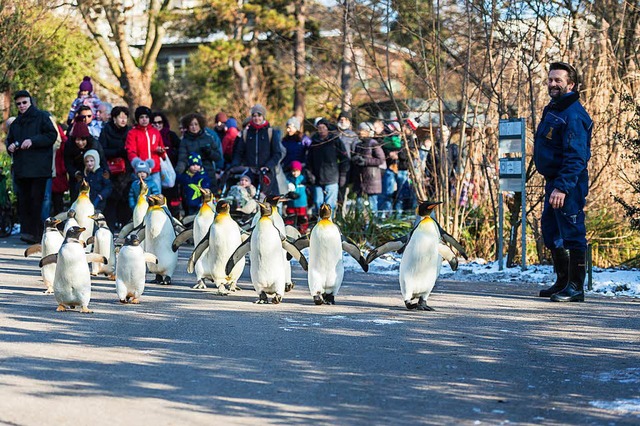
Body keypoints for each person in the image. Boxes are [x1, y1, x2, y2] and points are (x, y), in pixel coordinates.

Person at [533, 61, 592, 303]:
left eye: (558, 80)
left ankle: (576, 287)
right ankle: (562, 281)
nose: (553, 84)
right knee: (551, 231)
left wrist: (562, 187)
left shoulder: (574, 114)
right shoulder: (554, 109)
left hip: (568, 184)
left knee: (572, 231)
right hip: (553, 182)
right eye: (550, 79)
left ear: (571, 84)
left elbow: (577, 156)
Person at [5, 90, 58, 243]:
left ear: (30, 102)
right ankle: (27, 232)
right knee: (24, 201)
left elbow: (51, 136)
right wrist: (11, 147)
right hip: (22, 169)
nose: (21, 106)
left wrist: (33, 141)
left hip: (39, 169)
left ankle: (36, 233)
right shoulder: (16, 123)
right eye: (19, 104)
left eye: (24, 103)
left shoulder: (42, 117)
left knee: (37, 201)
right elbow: (10, 140)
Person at [231, 104, 287, 196]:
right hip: (250, 173)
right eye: (254, 116)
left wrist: (268, 166)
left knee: (267, 201)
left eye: (259, 115)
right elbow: (239, 152)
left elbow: (277, 153)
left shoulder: (270, 132)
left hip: (267, 173)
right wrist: (235, 164)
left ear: (263, 116)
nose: (257, 118)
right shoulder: (246, 133)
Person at [305, 118, 349, 213]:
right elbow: (309, 161)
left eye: (323, 127)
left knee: (330, 206)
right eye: (319, 128)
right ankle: (319, 223)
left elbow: (344, 158)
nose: (321, 130)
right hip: (317, 179)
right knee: (318, 203)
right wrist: (310, 175)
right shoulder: (314, 143)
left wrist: (343, 175)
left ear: (327, 128)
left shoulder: (335, 141)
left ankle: (330, 224)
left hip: (332, 178)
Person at [100, 106, 132, 229]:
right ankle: (111, 227)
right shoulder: (106, 130)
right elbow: (103, 150)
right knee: (111, 200)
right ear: (114, 118)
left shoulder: (129, 131)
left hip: (126, 171)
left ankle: (125, 228)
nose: (123, 120)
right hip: (111, 170)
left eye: (125, 117)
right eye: (120, 117)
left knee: (125, 199)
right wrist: (118, 151)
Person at [176, 113, 222, 192]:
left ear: (200, 125)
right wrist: (178, 173)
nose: (194, 127)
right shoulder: (185, 141)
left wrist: (209, 152)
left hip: (208, 173)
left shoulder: (208, 138)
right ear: (187, 126)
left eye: (196, 124)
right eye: (191, 125)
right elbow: (182, 159)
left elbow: (218, 156)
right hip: (192, 175)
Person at [64, 121, 108, 202]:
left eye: (83, 139)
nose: (80, 143)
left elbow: (102, 161)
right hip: (77, 178)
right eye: (77, 139)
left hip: (95, 178)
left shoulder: (95, 144)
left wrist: (105, 173)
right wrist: (75, 173)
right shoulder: (69, 145)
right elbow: (68, 163)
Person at [125, 106, 166, 191]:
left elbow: (162, 148)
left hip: (155, 170)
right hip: (140, 171)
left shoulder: (155, 132)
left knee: (156, 195)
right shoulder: (132, 133)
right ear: (137, 119)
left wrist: (161, 151)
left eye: (147, 117)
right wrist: (138, 164)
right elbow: (131, 151)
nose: (144, 119)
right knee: (141, 195)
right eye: (141, 117)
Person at [351, 122, 385, 213]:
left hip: (371, 179)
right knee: (359, 206)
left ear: (367, 131)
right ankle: (361, 224)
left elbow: (381, 159)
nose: (359, 132)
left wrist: (365, 161)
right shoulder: (358, 144)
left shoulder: (373, 143)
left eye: (361, 130)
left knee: (372, 205)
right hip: (360, 179)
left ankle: (372, 225)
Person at [152, 111, 181, 216]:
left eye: (160, 122)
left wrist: (170, 153)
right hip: (154, 172)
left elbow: (180, 151)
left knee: (171, 201)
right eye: (154, 123)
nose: (157, 125)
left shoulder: (171, 135)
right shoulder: (150, 137)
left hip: (169, 172)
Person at [284, 161, 309, 234]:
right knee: (291, 218)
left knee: (302, 218)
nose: (295, 173)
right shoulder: (288, 179)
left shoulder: (303, 179)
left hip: (301, 203)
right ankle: (291, 231)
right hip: (291, 203)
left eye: (297, 171)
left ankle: (303, 231)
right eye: (293, 171)